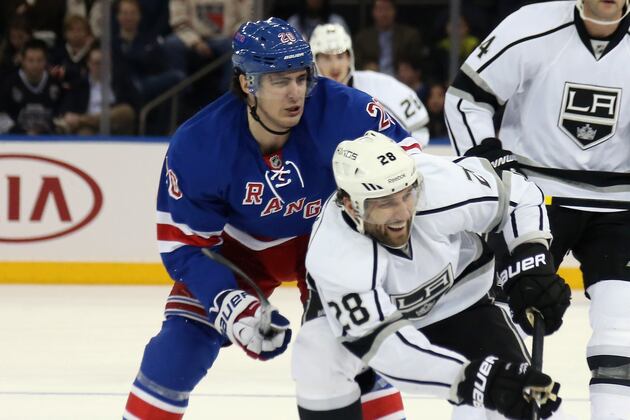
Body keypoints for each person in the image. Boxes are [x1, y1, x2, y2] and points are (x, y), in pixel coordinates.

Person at [124, 17, 416, 420]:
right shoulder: (199, 144)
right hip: (239, 251)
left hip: (328, 240)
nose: (296, 93)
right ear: (247, 83)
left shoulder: (348, 111)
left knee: (358, 351)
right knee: (174, 354)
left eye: (301, 77)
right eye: (279, 80)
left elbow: (413, 166)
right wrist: (231, 304)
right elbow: (186, 246)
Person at [292, 131, 568, 419]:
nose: (402, 214)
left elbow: (519, 196)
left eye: (406, 195)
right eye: (384, 203)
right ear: (351, 205)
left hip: (461, 304)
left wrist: (531, 259)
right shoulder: (334, 254)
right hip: (383, 328)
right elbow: (387, 349)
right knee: (317, 356)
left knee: (525, 401)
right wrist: (471, 380)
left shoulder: (435, 183)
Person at [443, 1, 630, 418]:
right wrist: (487, 161)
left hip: (621, 206)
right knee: (489, 326)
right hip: (532, 199)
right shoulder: (531, 26)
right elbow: (465, 99)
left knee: (622, 336)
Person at [310, 23, 430, 146]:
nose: (335, 66)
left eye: (340, 56)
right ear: (315, 60)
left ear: (349, 58)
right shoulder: (304, 98)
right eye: (326, 58)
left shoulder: (380, 85)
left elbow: (419, 128)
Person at [56, 46, 137, 135]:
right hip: (89, 128)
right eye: (97, 63)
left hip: (115, 125)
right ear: (89, 64)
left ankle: (83, 119)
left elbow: (132, 107)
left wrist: (80, 119)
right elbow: (66, 108)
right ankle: (85, 120)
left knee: (125, 111)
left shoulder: (121, 81)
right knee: (83, 134)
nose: (101, 66)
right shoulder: (79, 85)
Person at [0, 38, 62, 135]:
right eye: (30, 60)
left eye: (39, 60)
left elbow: (60, 116)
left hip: (49, 140)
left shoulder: (55, 84)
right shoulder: (9, 83)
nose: (35, 65)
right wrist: (22, 133)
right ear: (23, 61)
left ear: (45, 61)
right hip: (16, 139)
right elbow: (2, 116)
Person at [353, 0, 424, 76]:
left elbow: (419, 63)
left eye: (387, 9)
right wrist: (366, 68)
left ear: (395, 11)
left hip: (401, 81)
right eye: (380, 9)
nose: (384, 14)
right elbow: (355, 65)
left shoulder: (410, 35)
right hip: (373, 79)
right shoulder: (362, 37)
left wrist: (409, 69)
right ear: (373, 12)